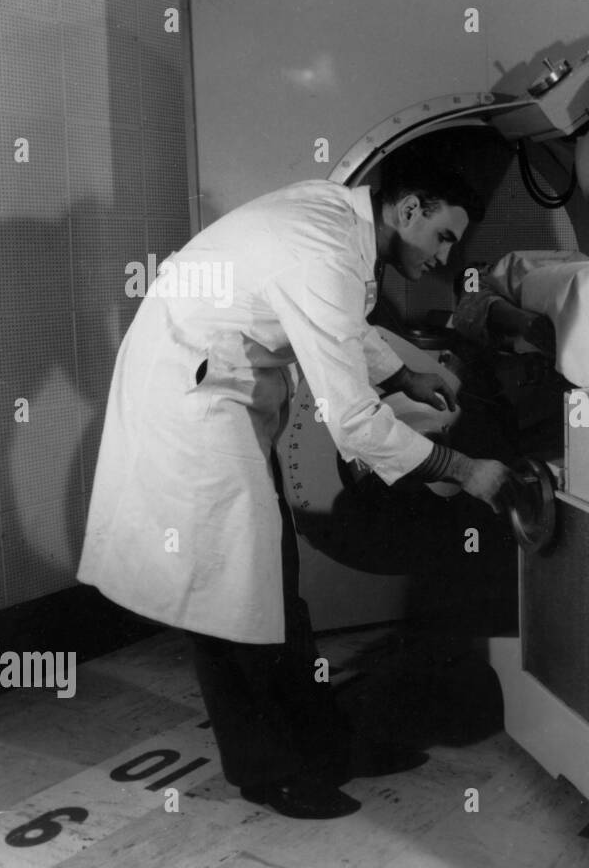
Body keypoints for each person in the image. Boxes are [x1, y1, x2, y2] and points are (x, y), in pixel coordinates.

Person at [78, 168, 518, 820]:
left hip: (221, 385)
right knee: (233, 597)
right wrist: (464, 469)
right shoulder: (325, 245)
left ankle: (326, 746)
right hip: (189, 398)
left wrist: (400, 371)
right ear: (409, 208)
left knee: (271, 583)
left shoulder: (337, 224)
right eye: (444, 237)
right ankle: (269, 772)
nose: (444, 257)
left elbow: (333, 318)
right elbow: (356, 425)